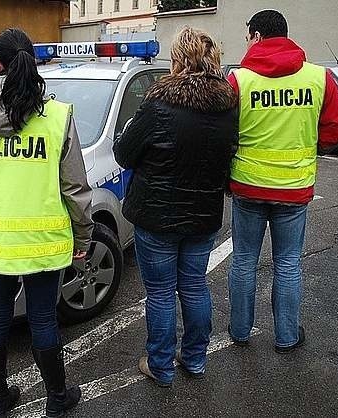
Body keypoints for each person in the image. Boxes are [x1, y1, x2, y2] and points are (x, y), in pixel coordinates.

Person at [0, 28, 93, 418]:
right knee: (43, 318)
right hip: (44, 241)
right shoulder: (58, 117)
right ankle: (56, 398)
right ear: (34, 61)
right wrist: (83, 234)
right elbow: (75, 188)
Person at [113, 27, 238, 386]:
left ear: (179, 59)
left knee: (162, 292)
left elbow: (124, 154)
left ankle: (162, 366)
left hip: (156, 216)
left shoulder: (159, 102)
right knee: (195, 286)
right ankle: (195, 359)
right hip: (203, 215)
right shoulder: (228, 105)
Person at [227, 10, 338, 353]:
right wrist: (308, 147)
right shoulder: (318, 78)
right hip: (294, 189)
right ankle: (287, 337)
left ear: (258, 37)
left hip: (248, 186)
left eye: (248, 36)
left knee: (244, 260)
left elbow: (224, 131)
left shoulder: (240, 80)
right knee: (289, 263)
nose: (247, 42)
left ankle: (239, 332)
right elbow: (335, 131)